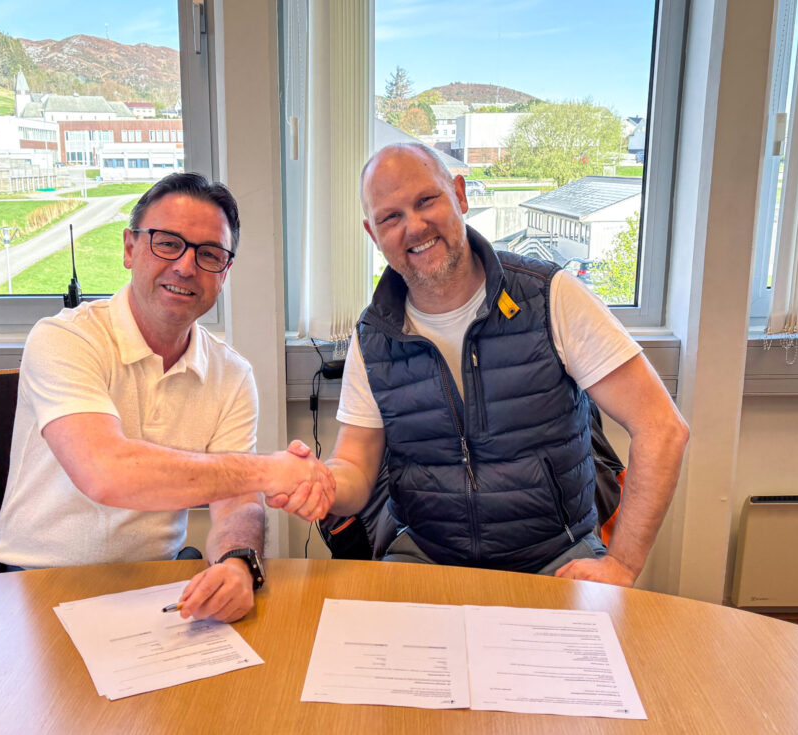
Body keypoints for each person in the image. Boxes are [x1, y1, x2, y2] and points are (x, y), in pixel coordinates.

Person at [273, 143, 688, 587]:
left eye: (426, 201)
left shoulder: (550, 296)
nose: (414, 226)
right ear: (373, 235)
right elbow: (355, 467)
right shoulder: (374, 335)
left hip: (556, 557)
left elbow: (662, 427)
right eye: (390, 217)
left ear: (459, 195)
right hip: (426, 557)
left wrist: (622, 564)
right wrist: (323, 483)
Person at [0, 173, 333, 621]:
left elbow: (235, 503)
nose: (186, 267)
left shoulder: (232, 374)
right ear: (129, 248)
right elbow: (105, 472)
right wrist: (271, 471)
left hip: (155, 593)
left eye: (209, 254)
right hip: (33, 585)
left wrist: (237, 563)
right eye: (167, 243)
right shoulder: (64, 338)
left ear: (225, 273)